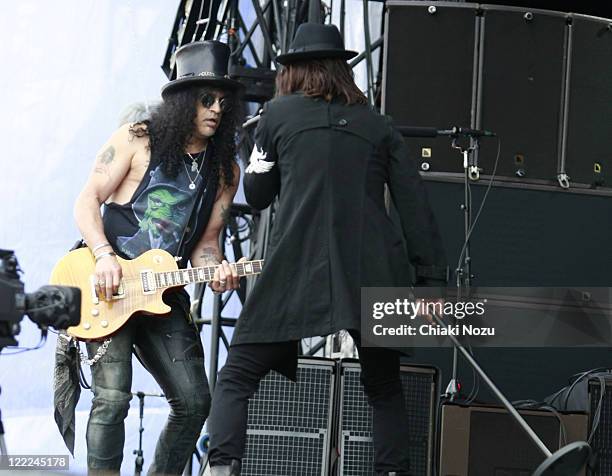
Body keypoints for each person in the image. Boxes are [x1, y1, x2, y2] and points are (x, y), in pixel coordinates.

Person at [206, 23, 447, 476]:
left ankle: (222, 467)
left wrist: (262, 150)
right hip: (372, 268)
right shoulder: (378, 125)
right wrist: (432, 282)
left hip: (297, 265)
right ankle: (392, 471)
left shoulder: (277, 115)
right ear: (342, 68)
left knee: (237, 375)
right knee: (383, 386)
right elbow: (416, 206)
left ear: (293, 71)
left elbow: (257, 195)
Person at [71, 40, 243, 475]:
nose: (216, 109)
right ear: (185, 100)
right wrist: (105, 255)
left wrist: (217, 271)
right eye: (207, 99)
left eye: (224, 101)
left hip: (164, 293)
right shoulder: (136, 139)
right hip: (107, 284)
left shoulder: (225, 169)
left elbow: (206, 244)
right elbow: (87, 201)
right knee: (112, 398)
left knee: (194, 402)